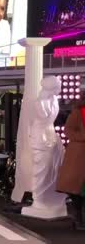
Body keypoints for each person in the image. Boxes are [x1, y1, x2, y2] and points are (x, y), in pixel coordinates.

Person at [57, 94, 85, 230]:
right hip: (79, 156)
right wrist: (82, 137)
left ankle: (79, 219)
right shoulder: (79, 112)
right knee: (77, 190)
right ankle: (78, 220)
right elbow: (68, 130)